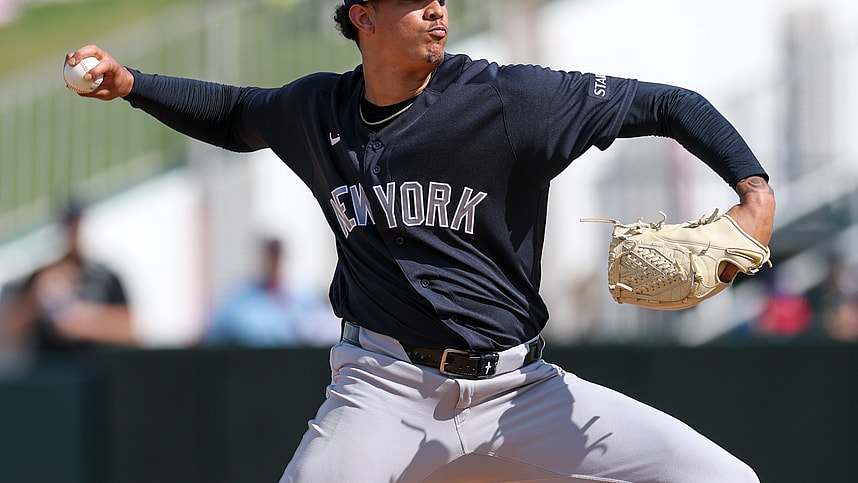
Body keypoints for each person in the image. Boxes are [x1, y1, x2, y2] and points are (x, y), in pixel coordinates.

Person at [65, 0, 775, 480]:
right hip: (383, 388)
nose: (436, 6)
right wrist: (132, 84)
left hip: (521, 389)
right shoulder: (319, 110)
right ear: (363, 16)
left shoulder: (506, 100)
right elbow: (235, 114)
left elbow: (666, 102)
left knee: (723, 477)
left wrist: (755, 193)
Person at [0, 202, 136, 356]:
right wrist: (36, 298)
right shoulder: (41, 276)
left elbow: (131, 330)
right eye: (67, 226)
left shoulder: (105, 278)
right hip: (51, 370)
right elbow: (8, 329)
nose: (72, 234)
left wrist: (81, 320)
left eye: (76, 226)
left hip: (95, 369)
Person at [204, 237, 340, 347]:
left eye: (277, 257)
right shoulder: (242, 298)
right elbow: (220, 331)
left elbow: (321, 331)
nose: (273, 262)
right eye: (270, 256)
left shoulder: (304, 295)